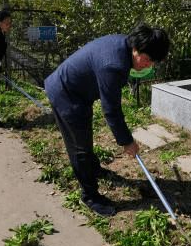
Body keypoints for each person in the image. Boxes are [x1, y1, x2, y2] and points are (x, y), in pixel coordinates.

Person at [44, 23, 170, 216]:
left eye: (153, 62)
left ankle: (93, 169)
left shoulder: (125, 44)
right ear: (136, 49)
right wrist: (127, 141)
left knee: (84, 139)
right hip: (66, 94)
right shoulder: (114, 64)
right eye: (147, 59)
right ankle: (90, 196)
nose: (148, 65)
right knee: (80, 148)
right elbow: (111, 110)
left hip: (79, 91)